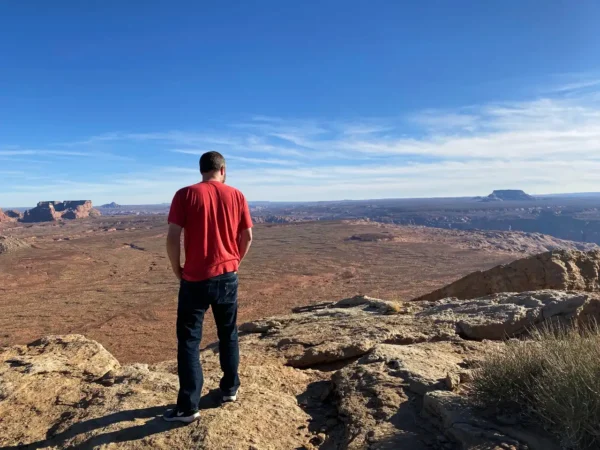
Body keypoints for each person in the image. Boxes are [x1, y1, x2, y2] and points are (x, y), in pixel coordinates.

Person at [163, 151, 253, 423]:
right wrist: (235, 262)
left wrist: (176, 268)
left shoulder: (185, 194)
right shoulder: (237, 195)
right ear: (222, 169)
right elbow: (247, 236)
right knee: (228, 333)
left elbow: (173, 237)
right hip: (228, 275)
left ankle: (188, 407)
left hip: (195, 279)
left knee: (189, 341)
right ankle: (229, 390)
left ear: (201, 169)